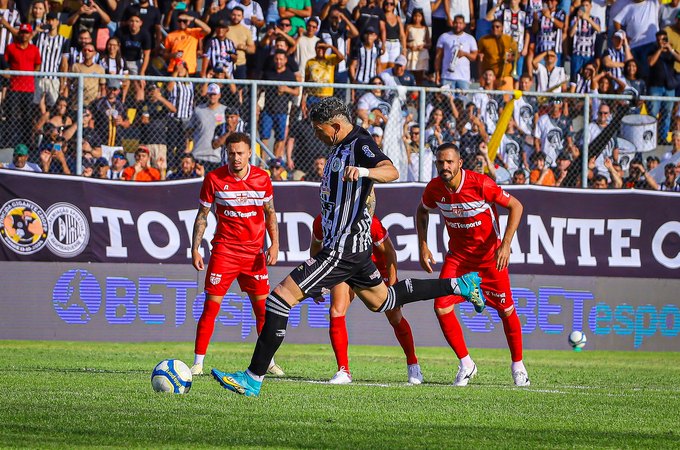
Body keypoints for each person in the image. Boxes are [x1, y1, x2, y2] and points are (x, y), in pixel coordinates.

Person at [210, 96, 484, 397]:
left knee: (278, 300)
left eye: (319, 130)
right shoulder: (339, 146)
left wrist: (366, 172)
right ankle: (459, 285)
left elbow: (390, 170)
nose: (317, 136)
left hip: (343, 248)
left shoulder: (358, 143)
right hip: (350, 248)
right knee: (385, 300)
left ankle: (253, 377)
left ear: (336, 126)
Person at [416, 143, 530, 387]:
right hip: (458, 259)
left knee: (506, 310)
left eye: (449, 162)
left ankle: (518, 366)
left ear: (459, 163)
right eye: (440, 162)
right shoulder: (435, 188)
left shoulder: (481, 183)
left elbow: (516, 206)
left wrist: (506, 243)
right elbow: (422, 211)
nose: (444, 166)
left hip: (490, 259)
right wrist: (423, 245)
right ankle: (466, 364)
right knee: (441, 306)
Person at [190, 132, 282, 377]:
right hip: (225, 252)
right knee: (211, 307)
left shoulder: (262, 179)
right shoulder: (214, 179)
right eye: (231, 153)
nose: (236, 158)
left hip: (254, 255)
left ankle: (268, 361)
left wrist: (274, 245)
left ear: (250, 153)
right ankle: (198, 362)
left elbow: (270, 213)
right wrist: (195, 248)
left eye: (240, 153)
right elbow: (202, 216)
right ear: (226, 154)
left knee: (263, 311)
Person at [311, 206, 423, 385]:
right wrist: (316, 283)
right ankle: (343, 371)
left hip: (376, 269)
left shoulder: (370, 222)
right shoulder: (322, 220)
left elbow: (390, 252)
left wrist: (393, 285)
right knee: (336, 311)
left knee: (395, 317)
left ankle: (413, 364)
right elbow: (316, 249)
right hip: (345, 268)